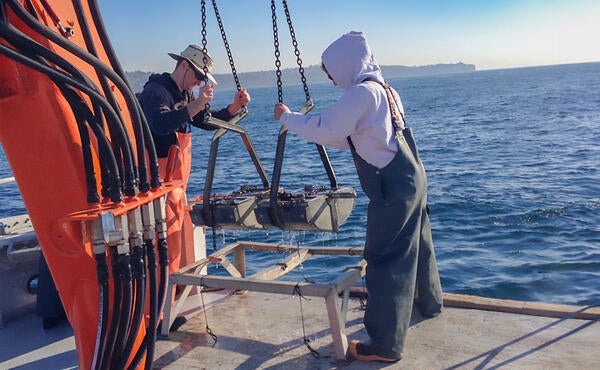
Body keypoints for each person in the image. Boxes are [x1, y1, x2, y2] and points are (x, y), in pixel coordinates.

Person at [273, 31, 443, 363]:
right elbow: (353, 136)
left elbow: (326, 128)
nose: (334, 82)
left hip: (391, 187)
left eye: (332, 74)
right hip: (412, 176)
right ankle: (429, 302)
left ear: (344, 65)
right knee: (419, 246)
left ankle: (384, 346)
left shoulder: (361, 93)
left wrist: (288, 118)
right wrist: (309, 126)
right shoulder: (386, 90)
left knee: (384, 257)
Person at [139, 44, 250, 276]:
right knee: (161, 240)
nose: (199, 82)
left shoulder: (185, 94)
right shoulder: (156, 91)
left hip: (177, 184)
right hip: (155, 184)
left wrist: (234, 107)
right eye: (199, 76)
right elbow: (159, 124)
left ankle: (174, 290)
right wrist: (197, 104)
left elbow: (206, 121)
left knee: (174, 236)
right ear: (184, 65)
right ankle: (164, 297)